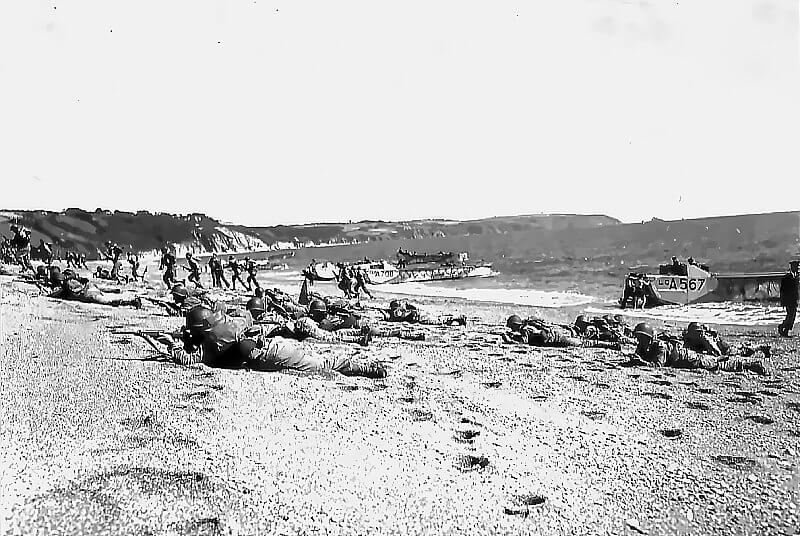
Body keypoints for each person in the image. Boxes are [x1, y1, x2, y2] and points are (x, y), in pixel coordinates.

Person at [144, 306, 387, 378]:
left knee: (322, 365)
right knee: (320, 360)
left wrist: (170, 343)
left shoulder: (210, 345)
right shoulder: (228, 326)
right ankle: (361, 364)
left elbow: (186, 359)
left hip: (271, 354)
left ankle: (364, 368)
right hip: (273, 346)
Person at [627, 322, 766, 374]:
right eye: (638, 338)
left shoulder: (660, 346)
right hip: (685, 357)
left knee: (716, 363)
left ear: (649, 338)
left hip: (688, 358)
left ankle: (750, 364)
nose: (639, 341)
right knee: (716, 361)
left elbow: (657, 365)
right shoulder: (645, 346)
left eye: (641, 338)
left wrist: (641, 362)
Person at [504, 315, 620, 349]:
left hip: (556, 339)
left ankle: (611, 345)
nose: (511, 329)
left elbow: (522, 343)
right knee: (584, 341)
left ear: (515, 325)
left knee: (584, 344)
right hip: (557, 333)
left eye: (511, 327)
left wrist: (509, 340)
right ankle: (610, 344)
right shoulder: (530, 324)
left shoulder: (525, 329)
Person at [49, 272, 142, 308]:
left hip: (87, 293)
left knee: (107, 301)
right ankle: (129, 301)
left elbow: (55, 294)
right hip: (89, 290)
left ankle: (131, 302)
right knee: (106, 298)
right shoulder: (69, 281)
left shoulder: (64, 287)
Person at [682, 322, 770, 359]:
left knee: (742, 352)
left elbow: (717, 352)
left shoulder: (704, 337)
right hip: (718, 344)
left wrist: (717, 356)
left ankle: (761, 347)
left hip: (723, 347)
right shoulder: (688, 337)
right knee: (740, 348)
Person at [382, 299, 467, 326]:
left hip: (419, 317)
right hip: (419, 315)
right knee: (438, 318)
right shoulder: (400, 310)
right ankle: (457, 318)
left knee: (437, 320)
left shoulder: (397, 312)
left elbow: (402, 316)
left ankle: (458, 318)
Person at [779, 260, 800, 337]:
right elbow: (783, 290)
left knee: (792, 316)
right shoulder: (787, 277)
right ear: (792, 268)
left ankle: (786, 330)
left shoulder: (795, 277)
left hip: (793, 300)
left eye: (797, 267)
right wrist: (783, 301)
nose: (797, 269)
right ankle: (783, 327)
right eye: (796, 267)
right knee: (790, 316)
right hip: (789, 300)